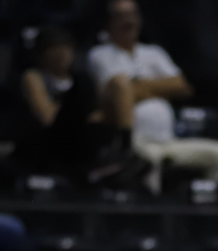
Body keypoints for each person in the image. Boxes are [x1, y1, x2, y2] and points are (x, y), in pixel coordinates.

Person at [87, 0, 218, 194]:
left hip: (169, 141)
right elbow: (116, 94)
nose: (128, 21)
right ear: (109, 22)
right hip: (136, 144)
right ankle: (154, 219)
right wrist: (158, 87)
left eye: (132, 15)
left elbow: (182, 86)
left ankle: (214, 219)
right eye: (121, 16)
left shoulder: (154, 52)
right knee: (148, 161)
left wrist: (135, 88)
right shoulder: (100, 54)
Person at [15, 26, 139, 180]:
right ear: (42, 53)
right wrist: (79, 110)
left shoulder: (78, 78)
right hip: (52, 139)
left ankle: (124, 152)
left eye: (66, 47)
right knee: (83, 86)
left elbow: (95, 112)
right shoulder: (34, 77)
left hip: (80, 138)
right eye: (55, 48)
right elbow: (47, 116)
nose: (62, 53)